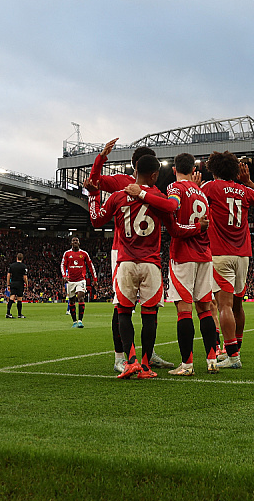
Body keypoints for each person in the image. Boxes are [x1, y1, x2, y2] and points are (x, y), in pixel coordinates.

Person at [88, 154, 206, 379]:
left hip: (125, 263)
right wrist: (198, 228)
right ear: (154, 175)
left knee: (123, 312)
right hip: (150, 263)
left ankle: (129, 360)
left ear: (135, 172)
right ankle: (145, 364)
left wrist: (94, 194)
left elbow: (95, 219)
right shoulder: (158, 197)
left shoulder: (118, 197)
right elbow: (176, 230)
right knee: (149, 316)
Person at [86, 138, 175, 372]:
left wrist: (94, 193)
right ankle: (122, 357)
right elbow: (95, 180)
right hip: (129, 252)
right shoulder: (147, 190)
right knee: (128, 308)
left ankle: (141, 356)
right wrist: (101, 158)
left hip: (127, 251)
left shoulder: (125, 191)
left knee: (126, 308)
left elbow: (94, 193)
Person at [201, 151, 254, 369]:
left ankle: (232, 356)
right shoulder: (243, 190)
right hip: (243, 255)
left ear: (213, 170)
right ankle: (236, 350)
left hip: (221, 254)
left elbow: (194, 200)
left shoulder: (210, 188)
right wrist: (248, 181)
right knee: (238, 306)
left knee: (224, 306)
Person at [159, 152, 219, 375]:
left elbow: (172, 207)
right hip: (205, 255)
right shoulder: (202, 194)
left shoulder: (176, 188)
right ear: (193, 170)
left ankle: (187, 365)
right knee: (204, 309)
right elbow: (207, 224)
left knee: (184, 310)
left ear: (174, 170)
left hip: (184, 255)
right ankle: (212, 359)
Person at [60, 237, 97, 328]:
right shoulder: (67, 253)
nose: (75, 242)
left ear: (79, 243)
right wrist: (64, 276)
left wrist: (94, 279)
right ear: (71, 243)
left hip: (81, 280)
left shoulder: (84, 254)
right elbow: (63, 265)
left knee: (81, 297)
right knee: (72, 301)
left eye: (77, 241)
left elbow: (90, 266)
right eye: (73, 241)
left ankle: (80, 321)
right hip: (70, 281)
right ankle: (74, 321)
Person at [6, 253, 28, 318]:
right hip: (20, 283)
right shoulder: (23, 266)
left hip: (13, 283)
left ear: (17, 258)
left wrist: (8, 284)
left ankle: (8, 313)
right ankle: (19, 314)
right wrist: (27, 284)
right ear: (22, 258)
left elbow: (8, 275)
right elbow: (25, 277)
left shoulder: (12, 266)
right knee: (19, 298)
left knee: (12, 297)